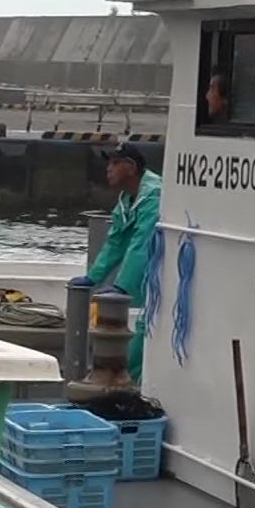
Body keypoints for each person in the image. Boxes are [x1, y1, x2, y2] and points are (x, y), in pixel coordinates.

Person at [73, 143, 161, 382]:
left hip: (163, 278)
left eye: (114, 163)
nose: (108, 170)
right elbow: (116, 242)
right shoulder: (126, 199)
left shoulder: (153, 195)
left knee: (140, 342)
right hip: (149, 283)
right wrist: (93, 277)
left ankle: (128, 388)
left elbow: (142, 244)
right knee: (140, 336)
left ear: (131, 167)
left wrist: (122, 286)